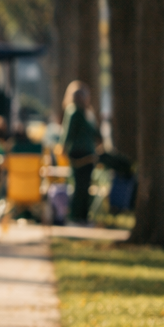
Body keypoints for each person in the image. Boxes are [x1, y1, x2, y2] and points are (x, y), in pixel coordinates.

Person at [60, 80, 102, 225]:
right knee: (79, 186)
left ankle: (83, 216)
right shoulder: (73, 111)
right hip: (78, 153)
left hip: (89, 154)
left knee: (85, 186)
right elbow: (68, 133)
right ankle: (76, 216)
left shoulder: (88, 113)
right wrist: (63, 148)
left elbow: (96, 133)